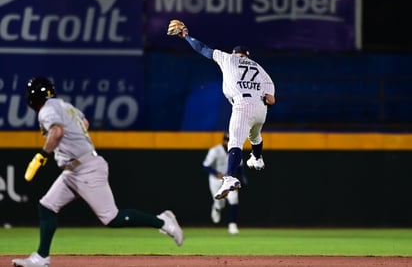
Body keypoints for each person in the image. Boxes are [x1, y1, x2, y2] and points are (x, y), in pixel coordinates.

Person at [12, 77, 184, 267]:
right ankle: (41, 258)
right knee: (47, 206)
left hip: (85, 169)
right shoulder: (65, 105)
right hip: (73, 170)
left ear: (34, 96)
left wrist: (42, 155)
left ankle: (162, 222)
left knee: (112, 218)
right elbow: (84, 123)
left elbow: (57, 131)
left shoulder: (47, 110)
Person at [168, 20, 275, 200]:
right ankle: (257, 158)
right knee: (255, 136)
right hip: (261, 108)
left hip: (242, 105)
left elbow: (202, 49)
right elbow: (271, 99)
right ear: (247, 56)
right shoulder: (259, 68)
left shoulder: (228, 58)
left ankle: (230, 178)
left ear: (235, 53)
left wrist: (185, 36)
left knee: (234, 142)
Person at [202, 132, 247, 234]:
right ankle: (217, 208)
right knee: (219, 202)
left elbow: (240, 167)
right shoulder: (215, 150)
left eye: (230, 140)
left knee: (234, 199)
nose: (228, 142)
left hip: (230, 179)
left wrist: (243, 178)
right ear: (223, 141)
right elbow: (205, 165)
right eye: (226, 140)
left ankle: (232, 224)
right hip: (216, 180)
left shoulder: (236, 150)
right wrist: (217, 173)